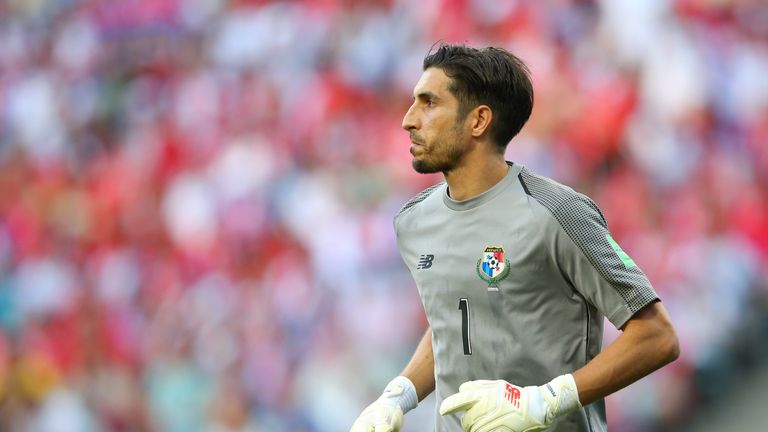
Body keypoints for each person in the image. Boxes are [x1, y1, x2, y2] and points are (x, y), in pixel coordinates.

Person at [349, 43, 679, 432]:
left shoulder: (557, 212)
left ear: (478, 121)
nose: (408, 120)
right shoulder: (414, 221)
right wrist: (399, 395)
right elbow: (455, 320)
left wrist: (543, 402)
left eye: (429, 103)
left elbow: (657, 336)